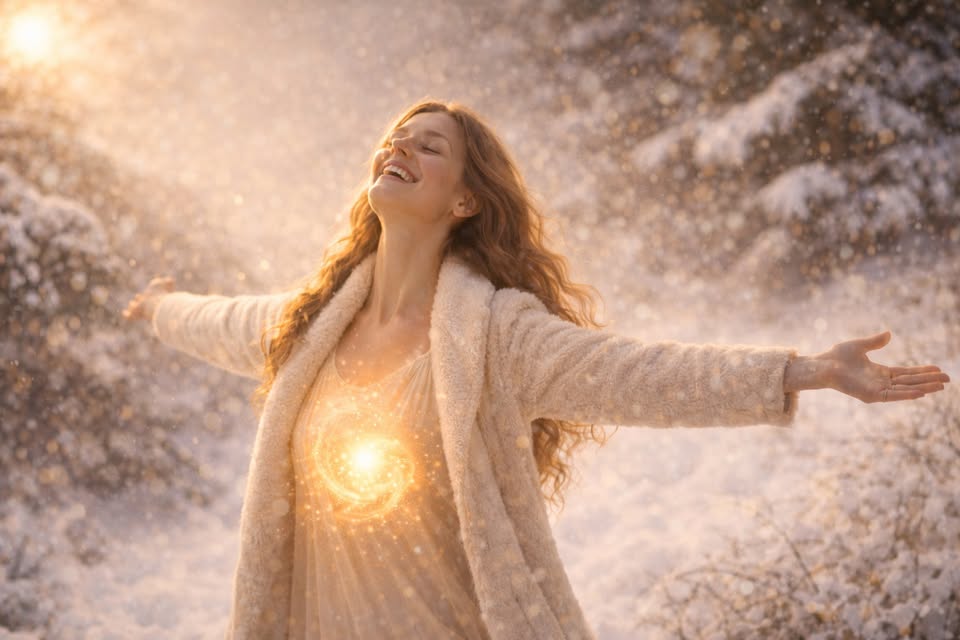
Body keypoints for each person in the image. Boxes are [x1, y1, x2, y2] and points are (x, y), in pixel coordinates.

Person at [123, 98, 950, 640]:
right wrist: (160, 306)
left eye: (428, 144)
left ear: (465, 201)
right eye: (395, 137)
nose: (399, 145)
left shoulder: (493, 333)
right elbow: (227, 321)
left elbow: (638, 373)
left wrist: (805, 369)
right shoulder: (312, 322)